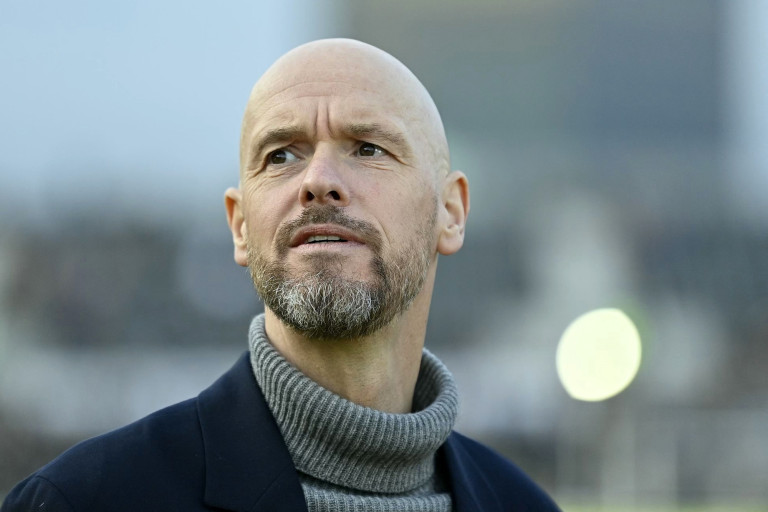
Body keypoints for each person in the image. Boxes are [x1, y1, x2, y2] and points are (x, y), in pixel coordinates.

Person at [1, 39, 561, 512]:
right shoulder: (84, 501)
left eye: (368, 148)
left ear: (451, 212)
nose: (318, 180)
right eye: (281, 156)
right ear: (240, 225)